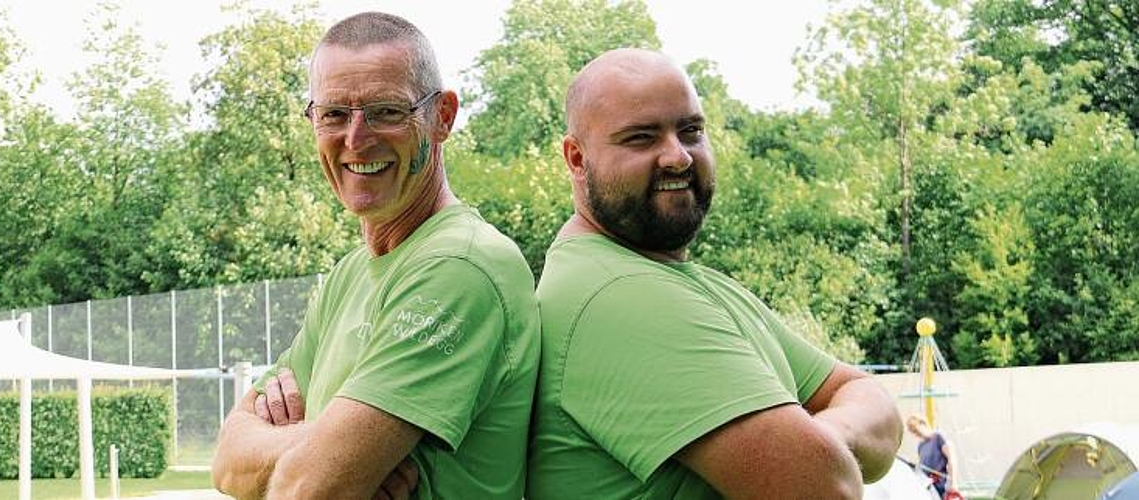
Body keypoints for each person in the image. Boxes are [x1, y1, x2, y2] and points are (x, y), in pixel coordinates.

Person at [527, 48, 903, 500]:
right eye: (641, 138)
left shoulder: (691, 283)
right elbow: (826, 488)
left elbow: (872, 402)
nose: (678, 157)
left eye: (691, 131)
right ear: (575, 158)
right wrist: (825, 448)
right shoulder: (618, 296)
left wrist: (824, 438)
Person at [210, 12, 540, 500]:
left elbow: (310, 489)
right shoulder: (349, 274)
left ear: (442, 116)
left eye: (387, 111)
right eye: (334, 114)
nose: (355, 139)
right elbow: (225, 464)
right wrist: (321, 443)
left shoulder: (460, 267)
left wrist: (313, 459)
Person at [907, 414, 958, 499]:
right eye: (913, 432)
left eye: (916, 430)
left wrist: (954, 483)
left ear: (922, 424)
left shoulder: (938, 437)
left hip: (943, 488)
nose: (916, 434)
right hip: (929, 490)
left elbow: (952, 459)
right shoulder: (921, 446)